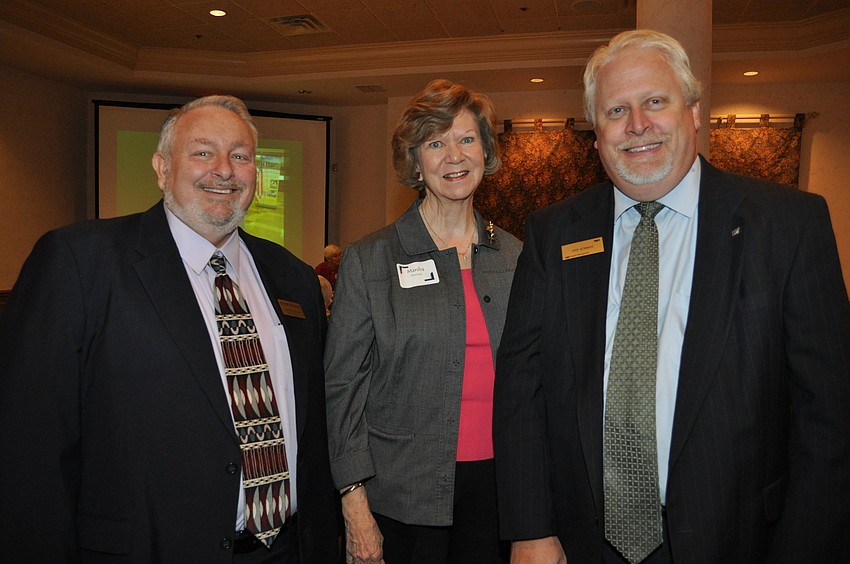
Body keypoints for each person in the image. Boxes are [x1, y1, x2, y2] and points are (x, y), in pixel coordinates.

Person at [493, 29, 850, 564]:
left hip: (739, 541)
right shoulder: (554, 233)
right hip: (580, 544)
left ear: (694, 111)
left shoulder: (788, 226)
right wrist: (529, 529)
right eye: (616, 110)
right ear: (595, 135)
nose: (637, 125)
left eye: (654, 102)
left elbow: (830, 417)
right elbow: (522, 390)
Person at [0, 95, 339, 563]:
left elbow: (314, 429)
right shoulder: (81, 262)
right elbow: (30, 447)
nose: (224, 170)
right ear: (161, 168)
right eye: (202, 152)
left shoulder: (294, 278)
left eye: (240, 156)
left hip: (286, 548)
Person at [324, 79, 522, 564]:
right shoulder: (370, 260)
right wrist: (354, 503)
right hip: (399, 494)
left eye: (466, 139)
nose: (454, 155)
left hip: (499, 494)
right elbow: (342, 387)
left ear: (486, 152)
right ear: (415, 161)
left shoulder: (517, 256)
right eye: (436, 143)